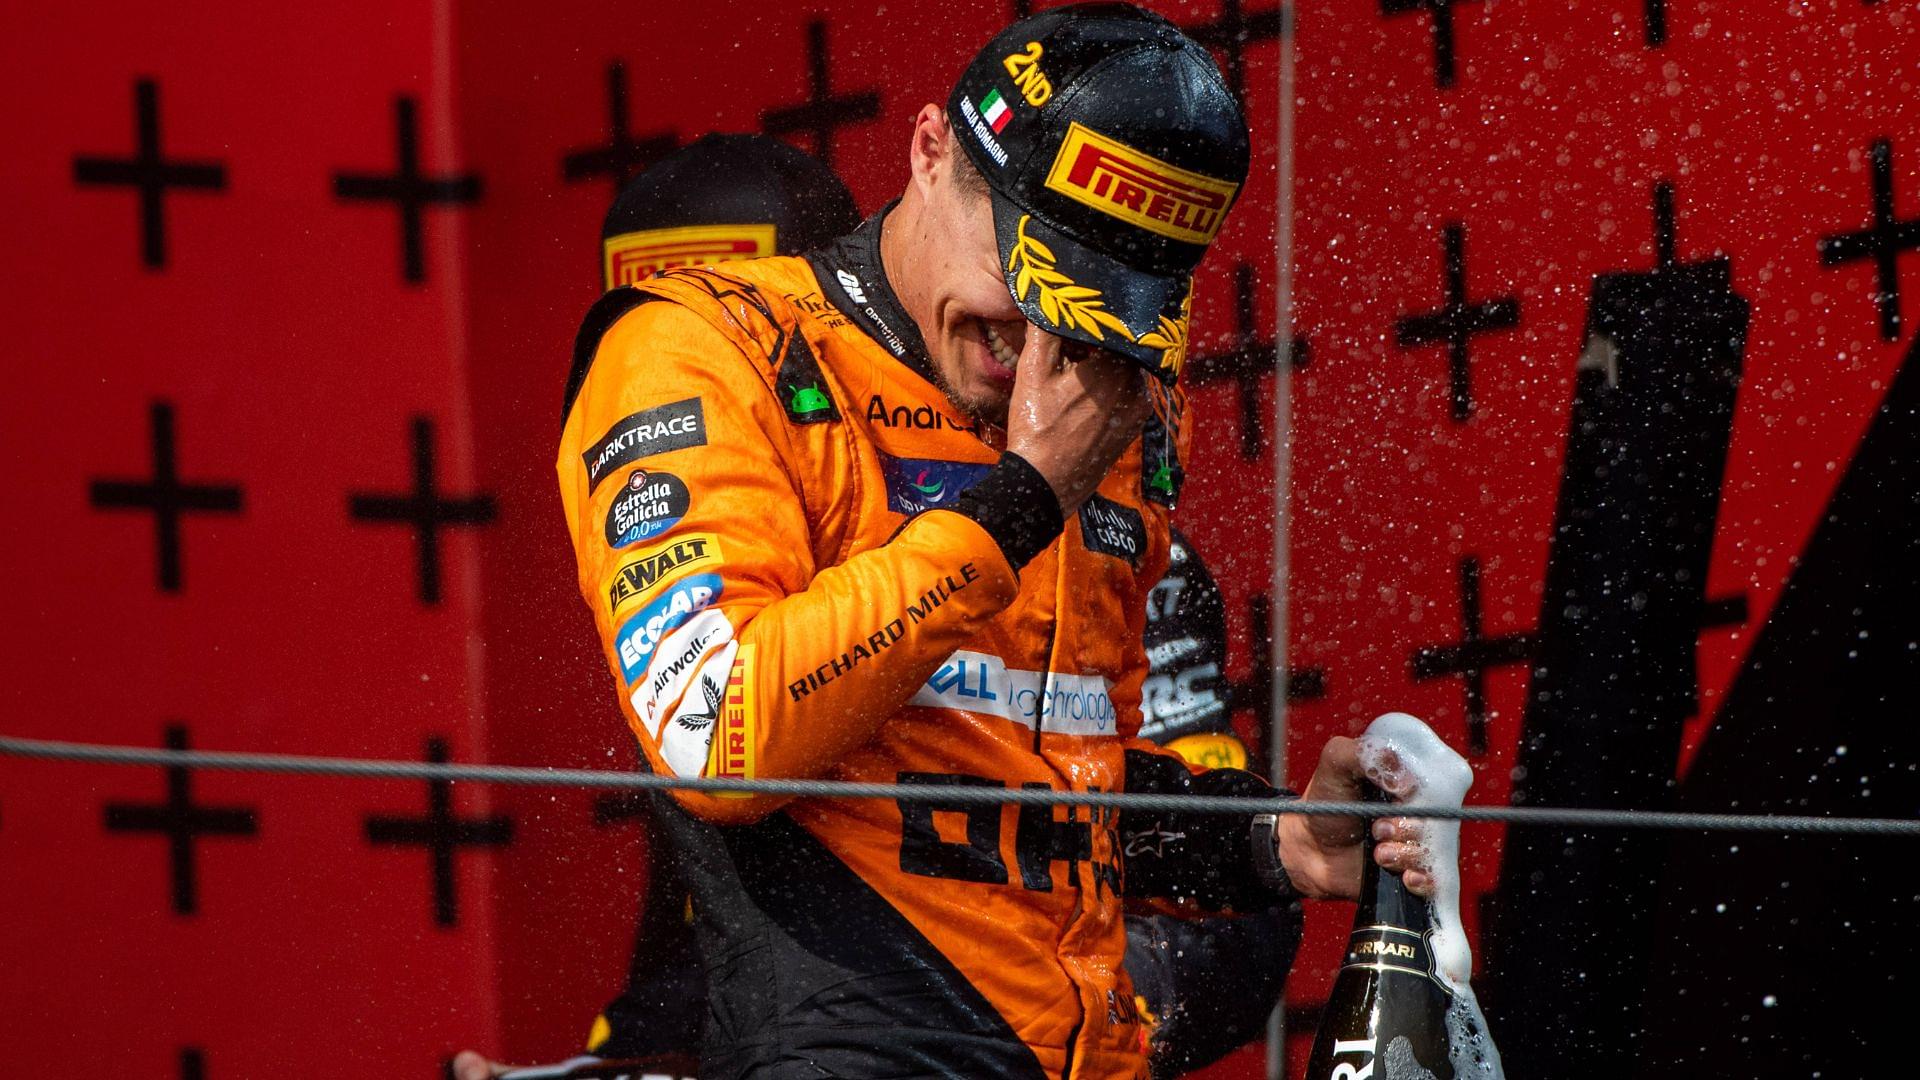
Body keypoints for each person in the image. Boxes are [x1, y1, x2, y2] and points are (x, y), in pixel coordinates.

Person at [548, 6, 1434, 1077]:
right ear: (928, 151)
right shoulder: (704, 348)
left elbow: (1050, 777)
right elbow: (717, 739)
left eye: (1105, 302)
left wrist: (1271, 839)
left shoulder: (1118, 396)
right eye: (1031, 265)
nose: (1038, 337)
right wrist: (1019, 503)